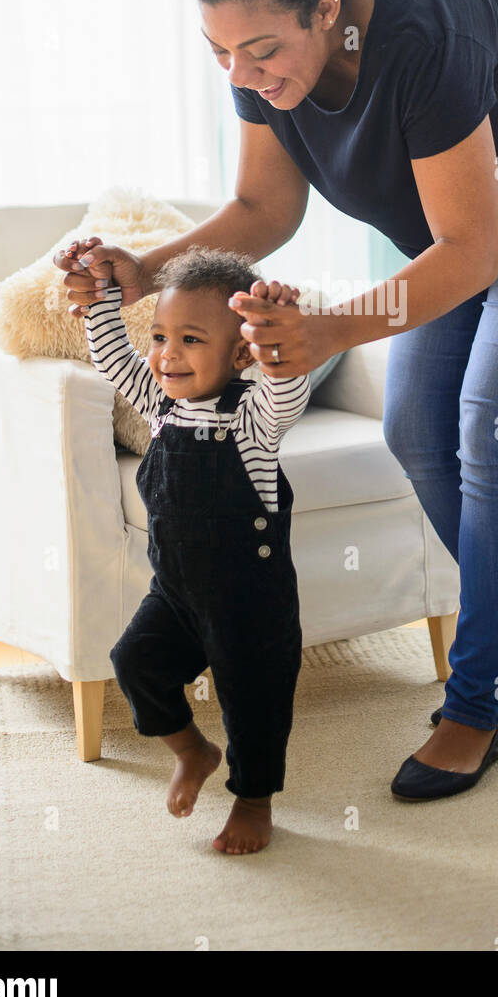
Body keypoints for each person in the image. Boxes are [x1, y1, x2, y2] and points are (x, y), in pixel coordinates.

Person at [55, 0, 498, 803]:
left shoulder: (425, 36)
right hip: (463, 233)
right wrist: (142, 268)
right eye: (221, 53)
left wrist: (329, 330)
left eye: (262, 51)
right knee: (416, 430)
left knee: (494, 427)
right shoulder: (258, 50)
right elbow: (265, 210)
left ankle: (477, 698)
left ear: (329, 7)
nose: (245, 71)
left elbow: (476, 251)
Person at [75, 240, 310, 852]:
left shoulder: (252, 422)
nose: (166, 355)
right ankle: (192, 751)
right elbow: (113, 359)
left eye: (190, 340)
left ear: (239, 353)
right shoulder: (164, 410)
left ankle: (253, 801)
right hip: (175, 594)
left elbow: (286, 389)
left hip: (250, 607)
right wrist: (101, 293)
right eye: (159, 336)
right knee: (134, 663)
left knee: (251, 704)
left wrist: (275, 335)